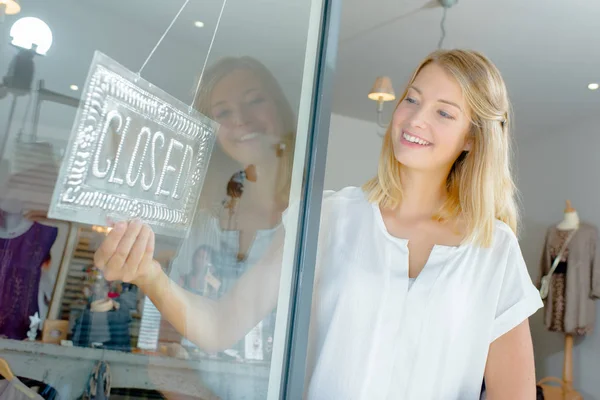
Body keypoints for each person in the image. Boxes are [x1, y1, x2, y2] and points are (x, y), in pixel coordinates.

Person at [94, 49, 543, 399]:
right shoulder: (329, 217)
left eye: (444, 112)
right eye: (412, 98)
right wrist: (149, 274)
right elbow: (219, 326)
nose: (415, 119)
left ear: (472, 137)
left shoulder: (494, 249)